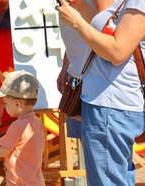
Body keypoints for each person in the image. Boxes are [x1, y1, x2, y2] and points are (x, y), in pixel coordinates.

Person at [56, 0, 145, 185]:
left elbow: (117, 51)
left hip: (110, 102)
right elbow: (102, 31)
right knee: (114, 178)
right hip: (106, 101)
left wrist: (76, 20)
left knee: (107, 180)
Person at [0, 70, 45, 186]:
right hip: (36, 181)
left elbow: (0, 151)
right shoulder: (37, 122)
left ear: (17, 103)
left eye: (5, 103)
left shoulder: (17, 126)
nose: (4, 107)